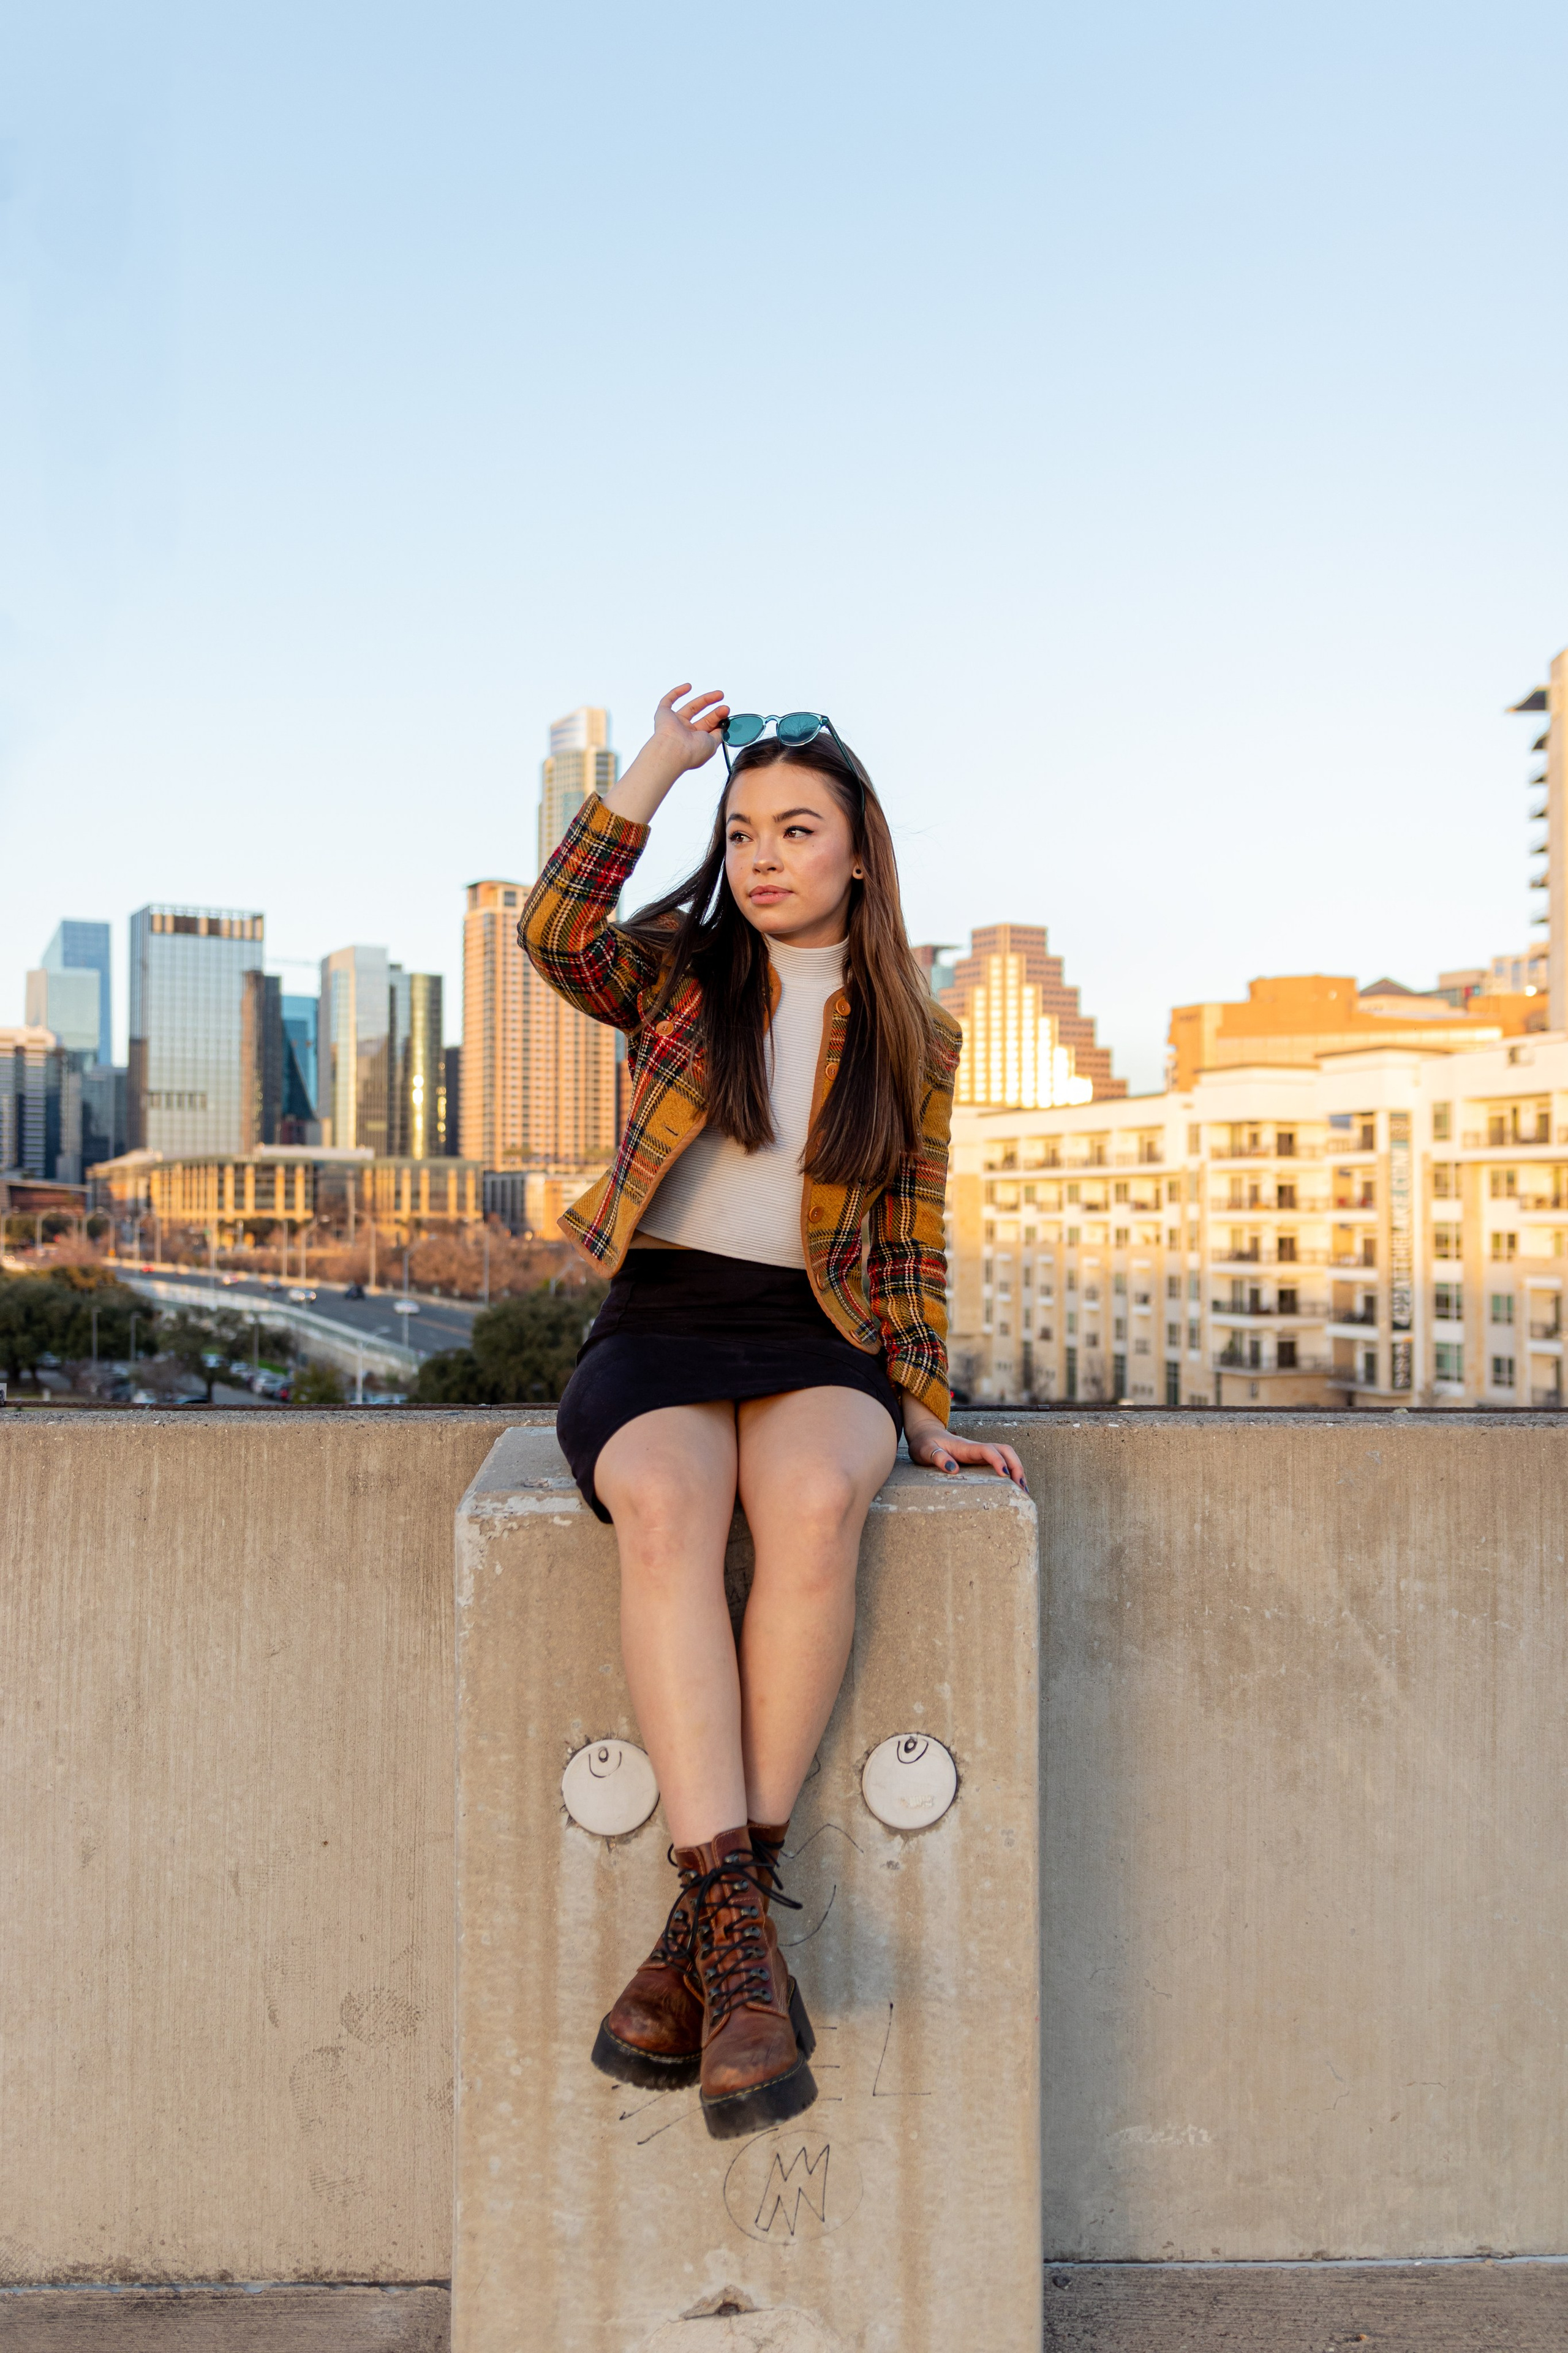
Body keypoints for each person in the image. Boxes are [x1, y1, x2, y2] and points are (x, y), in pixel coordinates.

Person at [519, 686, 1025, 2139]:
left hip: (826, 1333)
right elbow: (552, 936)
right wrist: (657, 773)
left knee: (811, 1502)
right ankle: (739, 1941)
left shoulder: (918, 1035)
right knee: (667, 1505)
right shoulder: (679, 972)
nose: (761, 855)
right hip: (663, 1317)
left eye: (796, 829)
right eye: (742, 833)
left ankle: (707, 1951)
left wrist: (921, 1409)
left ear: (860, 850)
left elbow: (916, 1238)